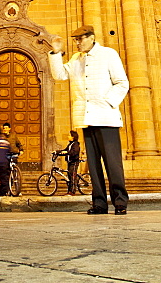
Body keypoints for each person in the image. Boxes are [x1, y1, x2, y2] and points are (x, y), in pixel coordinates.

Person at [48, 25, 130, 215]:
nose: (77, 43)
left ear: (91, 38)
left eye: (81, 39)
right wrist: (55, 53)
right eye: (76, 40)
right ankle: (99, 203)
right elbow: (60, 75)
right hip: (86, 117)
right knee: (93, 165)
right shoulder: (77, 59)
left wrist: (108, 102)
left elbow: (122, 83)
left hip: (106, 117)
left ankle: (120, 202)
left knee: (113, 163)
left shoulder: (108, 54)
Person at [64, 130, 81, 196]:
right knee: (69, 177)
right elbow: (65, 150)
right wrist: (57, 152)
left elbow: (74, 152)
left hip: (74, 162)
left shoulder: (76, 144)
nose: (68, 136)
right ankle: (69, 191)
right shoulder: (70, 144)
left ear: (73, 137)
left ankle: (73, 191)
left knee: (73, 176)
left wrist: (67, 152)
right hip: (69, 162)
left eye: (69, 135)